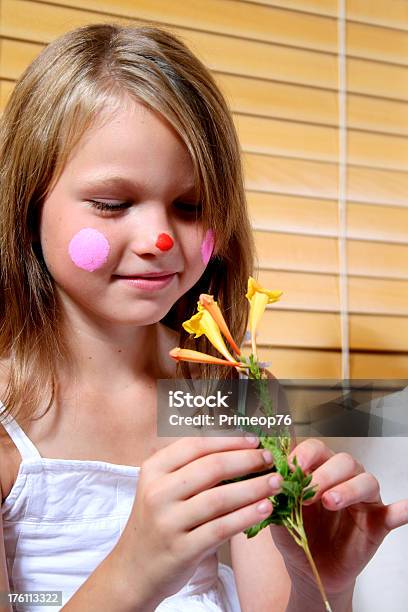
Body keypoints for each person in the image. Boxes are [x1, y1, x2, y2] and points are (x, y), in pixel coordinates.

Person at [0, 22, 406, 612]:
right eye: (113, 204)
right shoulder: (8, 413)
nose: (161, 237)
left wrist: (326, 584)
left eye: (190, 206)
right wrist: (134, 570)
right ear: (29, 203)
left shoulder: (223, 394)